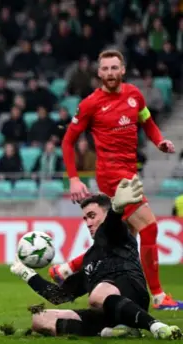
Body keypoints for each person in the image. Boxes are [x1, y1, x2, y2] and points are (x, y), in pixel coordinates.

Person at [54, 49, 182, 310]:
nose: (110, 73)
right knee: (150, 227)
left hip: (130, 172)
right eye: (105, 69)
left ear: (123, 70)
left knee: (122, 238)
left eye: (115, 68)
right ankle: (157, 296)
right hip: (112, 175)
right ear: (98, 72)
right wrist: (75, 179)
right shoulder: (91, 103)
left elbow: (147, 121)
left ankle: (67, 269)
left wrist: (159, 142)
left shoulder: (135, 95)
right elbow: (68, 141)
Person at [11, 177, 181, 339]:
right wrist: (27, 274)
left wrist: (116, 209)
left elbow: (111, 226)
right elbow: (59, 296)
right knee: (39, 319)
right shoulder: (90, 258)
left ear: (107, 215)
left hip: (133, 295)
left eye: (92, 216)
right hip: (105, 312)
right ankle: (111, 331)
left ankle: (156, 326)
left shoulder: (119, 235)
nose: (88, 223)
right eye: (85, 218)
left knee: (97, 294)